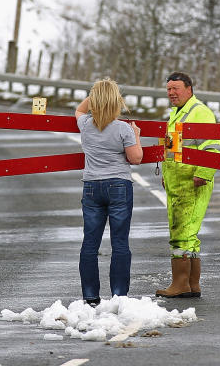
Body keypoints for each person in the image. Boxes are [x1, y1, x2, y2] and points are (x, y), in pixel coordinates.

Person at [76, 78, 143, 305]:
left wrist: (96, 95)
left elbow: (79, 109)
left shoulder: (85, 123)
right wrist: (138, 136)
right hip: (118, 185)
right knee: (120, 243)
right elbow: (135, 158)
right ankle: (119, 295)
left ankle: (90, 296)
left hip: (92, 186)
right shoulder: (124, 128)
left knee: (90, 243)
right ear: (117, 101)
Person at [155, 72, 220, 298]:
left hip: (192, 182)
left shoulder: (199, 112)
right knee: (188, 234)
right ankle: (192, 285)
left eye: (176, 88)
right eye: (169, 89)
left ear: (189, 89)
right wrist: (166, 174)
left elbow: (211, 146)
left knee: (182, 233)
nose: (171, 93)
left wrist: (203, 173)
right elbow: (172, 148)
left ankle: (180, 284)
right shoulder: (177, 113)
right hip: (177, 183)